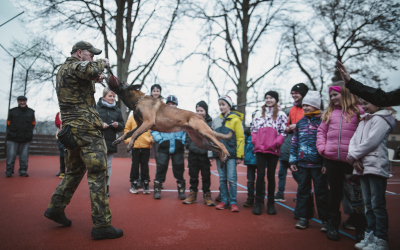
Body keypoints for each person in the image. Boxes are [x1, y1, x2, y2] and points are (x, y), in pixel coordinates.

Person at [44, 41, 123, 239]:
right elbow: (89, 68)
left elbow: (80, 80)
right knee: (98, 173)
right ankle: (102, 225)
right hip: (87, 129)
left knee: (75, 171)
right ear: (79, 53)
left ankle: (55, 207)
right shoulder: (75, 65)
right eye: (91, 55)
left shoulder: (64, 70)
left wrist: (93, 80)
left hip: (71, 130)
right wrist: (104, 63)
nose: (93, 58)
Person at [316, 81, 365, 242]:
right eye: (330, 96)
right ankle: (333, 225)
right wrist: (323, 149)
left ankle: (360, 228)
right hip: (331, 160)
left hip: (351, 161)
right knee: (334, 194)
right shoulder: (329, 113)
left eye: (335, 94)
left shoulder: (359, 112)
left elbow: (364, 134)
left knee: (355, 195)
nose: (333, 98)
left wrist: (358, 154)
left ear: (345, 93)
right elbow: (321, 132)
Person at [348, 99, 395, 250]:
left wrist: (353, 156)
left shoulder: (381, 119)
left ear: (377, 103)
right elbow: (353, 141)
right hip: (362, 167)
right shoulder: (363, 121)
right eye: (362, 103)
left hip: (375, 166)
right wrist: (354, 159)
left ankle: (381, 239)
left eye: (367, 103)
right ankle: (370, 235)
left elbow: (371, 142)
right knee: (368, 205)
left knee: (377, 205)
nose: (364, 106)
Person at [289, 91, 329, 231]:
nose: (305, 107)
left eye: (308, 105)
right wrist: (293, 161)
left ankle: (325, 220)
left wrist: (326, 163)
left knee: (321, 192)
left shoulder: (323, 121)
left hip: (318, 164)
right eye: (304, 105)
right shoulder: (300, 123)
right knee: (303, 191)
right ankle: (303, 217)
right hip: (302, 164)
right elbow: (295, 142)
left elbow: (327, 142)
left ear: (316, 106)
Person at [251, 91, 287, 215]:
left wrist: (276, 143)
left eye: (271, 98)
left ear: (276, 99)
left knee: (271, 176)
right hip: (260, 149)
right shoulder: (258, 113)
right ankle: (258, 203)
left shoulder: (281, 114)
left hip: (273, 150)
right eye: (266, 98)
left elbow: (283, 131)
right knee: (260, 175)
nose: (268, 100)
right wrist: (255, 141)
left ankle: (271, 204)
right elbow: (253, 129)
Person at [275, 83, 308, 203]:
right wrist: (288, 128)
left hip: (303, 144)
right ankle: (280, 193)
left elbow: (311, 124)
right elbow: (288, 125)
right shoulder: (292, 109)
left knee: (298, 172)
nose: (294, 95)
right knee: (282, 171)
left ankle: (304, 192)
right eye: (292, 93)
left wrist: (297, 126)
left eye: (296, 93)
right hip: (289, 143)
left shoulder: (308, 107)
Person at [212, 95, 244, 212]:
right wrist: (212, 153)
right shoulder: (216, 120)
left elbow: (240, 138)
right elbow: (212, 138)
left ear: (229, 105)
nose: (221, 107)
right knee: (222, 178)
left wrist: (239, 155)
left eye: (223, 104)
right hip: (219, 154)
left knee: (231, 178)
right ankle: (224, 200)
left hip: (230, 154)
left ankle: (233, 201)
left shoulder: (236, 120)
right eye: (219, 104)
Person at [151, 95, 187, 200]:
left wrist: (182, 141)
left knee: (179, 167)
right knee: (161, 167)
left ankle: (181, 190)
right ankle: (157, 189)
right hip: (164, 146)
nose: (171, 105)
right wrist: (161, 140)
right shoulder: (160, 117)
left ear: (176, 105)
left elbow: (185, 130)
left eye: (173, 104)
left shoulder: (181, 117)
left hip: (178, 146)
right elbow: (154, 129)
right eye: (169, 104)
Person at [183, 101, 215, 206]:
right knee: (193, 175)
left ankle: (207, 194)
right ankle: (193, 194)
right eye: (197, 110)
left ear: (206, 111)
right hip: (193, 153)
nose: (199, 112)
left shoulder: (210, 122)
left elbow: (212, 137)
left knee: (206, 176)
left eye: (201, 110)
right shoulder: (192, 121)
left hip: (205, 154)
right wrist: (189, 145)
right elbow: (188, 133)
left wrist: (211, 150)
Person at [97, 87, 125, 197]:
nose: (112, 98)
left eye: (114, 96)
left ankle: (106, 188)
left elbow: (122, 125)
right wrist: (100, 124)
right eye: (110, 96)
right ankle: (98, 188)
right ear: (104, 96)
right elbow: (90, 122)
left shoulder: (117, 111)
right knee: (98, 166)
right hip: (98, 141)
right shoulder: (96, 108)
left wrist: (118, 125)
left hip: (110, 141)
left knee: (108, 166)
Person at [5, 95, 36, 177]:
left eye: (24, 101)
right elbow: (8, 122)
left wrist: (28, 131)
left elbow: (33, 123)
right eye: (20, 101)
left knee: (24, 157)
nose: (22, 102)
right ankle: (9, 171)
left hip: (26, 138)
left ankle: (23, 171)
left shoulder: (31, 112)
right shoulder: (12, 111)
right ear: (18, 102)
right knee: (11, 155)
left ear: (26, 101)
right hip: (12, 137)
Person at [124, 113, 154, 194]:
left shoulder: (148, 118)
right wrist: (129, 141)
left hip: (146, 146)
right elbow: (127, 129)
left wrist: (150, 140)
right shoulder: (132, 118)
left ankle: (146, 184)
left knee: (145, 166)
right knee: (135, 166)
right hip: (134, 146)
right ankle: (134, 183)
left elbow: (153, 130)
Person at [243, 111, 260, 207]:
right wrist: (244, 154)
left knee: (260, 180)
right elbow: (244, 144)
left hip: (260, 159)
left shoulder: (262, 129)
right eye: (254, 117)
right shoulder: (247, 130)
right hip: (250, 159)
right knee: (250, 180)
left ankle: (260, 198)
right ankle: (250, 197)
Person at [55, 112, 67, 178]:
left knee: (70, 154)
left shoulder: (74, 112)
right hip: (61, 136)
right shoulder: (59, 113)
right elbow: (57, 123)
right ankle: (62, 171)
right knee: (62, 154)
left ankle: (70, 171)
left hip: (71, 137)